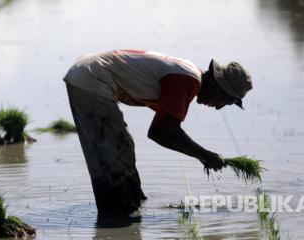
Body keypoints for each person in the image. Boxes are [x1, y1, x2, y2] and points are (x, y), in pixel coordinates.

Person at [63, 49, 252, 216]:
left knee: (124, 146)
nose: (219, 108)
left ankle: (132, 207)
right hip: (91, 79)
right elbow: (166, 131)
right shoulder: (188, 80)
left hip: (88, 74)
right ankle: (117, 218)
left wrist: (202, 156)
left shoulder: (188, 77)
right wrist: (205, 155)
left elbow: (157, 132)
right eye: (226, 101)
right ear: (218, 85)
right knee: (112, 153)